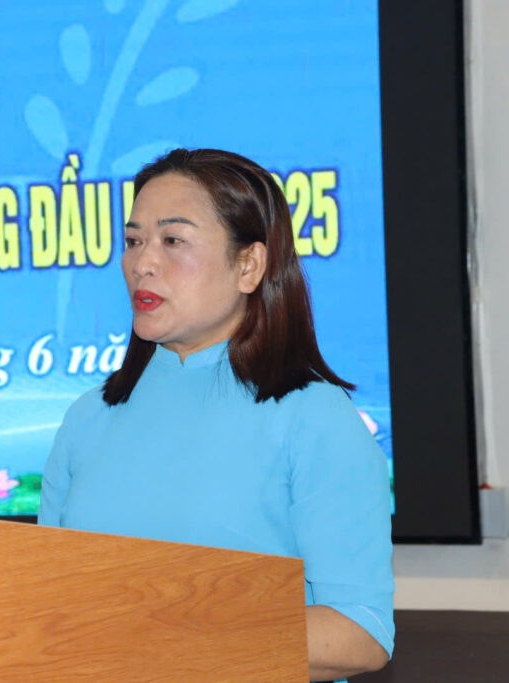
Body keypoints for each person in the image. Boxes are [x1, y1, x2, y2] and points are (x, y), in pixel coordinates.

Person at [39, 148, 394, 681]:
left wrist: (164, 634)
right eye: (133, 241)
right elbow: (43, 605)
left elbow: (360, 633)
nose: (142, 263)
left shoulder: (314, 416)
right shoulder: (89, 417)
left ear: (248, 265)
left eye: (173, 241)